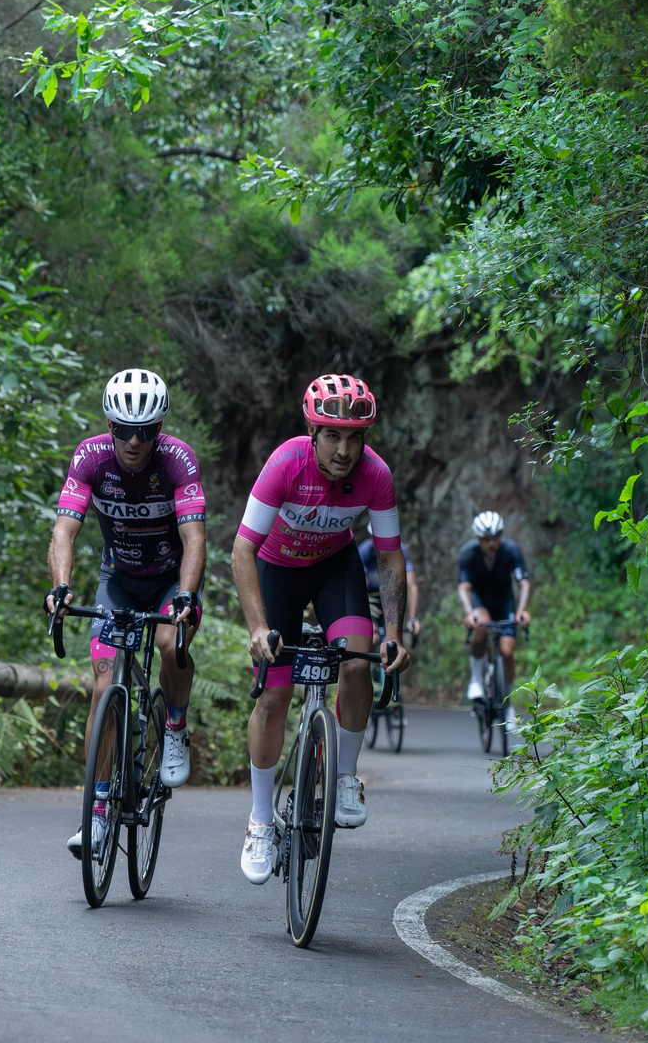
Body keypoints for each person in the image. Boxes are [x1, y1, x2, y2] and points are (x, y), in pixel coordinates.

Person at [231, 374, 410, 884]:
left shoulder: (376, 475)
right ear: (313, 431)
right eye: (333, 436)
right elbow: (242, 550)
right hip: (277, 570)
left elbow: (390, 557)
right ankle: (260, 819)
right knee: (274, 696)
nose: (344, 450)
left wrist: (393, 630)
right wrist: (259, 627)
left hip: (335, 569)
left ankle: (346, 776)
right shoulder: (286, 463)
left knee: (358, 663)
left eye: (356, 438)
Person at [46, 369, 206, 860]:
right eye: (124, 430)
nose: (135, 442)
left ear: (159, 429)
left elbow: (194, 538)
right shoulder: (90, 456)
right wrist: (61, 587)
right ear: (109, 425)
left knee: (166, 644)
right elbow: (64, 531)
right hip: (117, 580)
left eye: (146, 431)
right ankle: (95, 819)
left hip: (167, 583)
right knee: (102, 684)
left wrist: (185, 596)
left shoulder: (178, 459)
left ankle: (174, 725)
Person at [457, 511, 531, 732]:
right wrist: (469, 612)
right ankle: (477, 680)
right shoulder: (468, 553)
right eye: (487, 539)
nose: (492, 543)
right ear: (479, 539)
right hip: (480, 602)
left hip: (504, 602)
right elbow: (463, 587)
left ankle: (508, 705)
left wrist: (521, 610)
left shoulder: (510, 550)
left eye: (496, 537)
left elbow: (524, 583)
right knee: (481, 624)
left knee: (507, 651)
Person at [358, 535, 420, 648]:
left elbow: (411, 586)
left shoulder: (400, 549)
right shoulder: (365, 549)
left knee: (392, 643)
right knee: (372, 638)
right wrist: (367, 619)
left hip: (390, 597)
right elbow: (360, 586)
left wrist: (412, 618)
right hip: (371, 598)